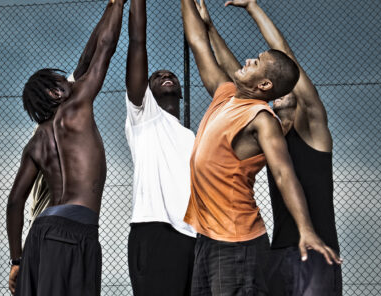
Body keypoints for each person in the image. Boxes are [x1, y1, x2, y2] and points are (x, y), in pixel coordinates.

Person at [181, 0, 341, 295]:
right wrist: (211, 28)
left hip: (316, 247)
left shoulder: (312, 130)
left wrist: (253, 7)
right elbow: (238, 76)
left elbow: (285, 61)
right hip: (278, 249)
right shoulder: (262, 127)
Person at [5, 0, 125, 294]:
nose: (70, 79)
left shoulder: (36, 142)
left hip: (41, 238)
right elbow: (104, 50)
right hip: (71, 234)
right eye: (61, 79)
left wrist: (17, 260)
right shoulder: (76, 105)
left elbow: (14, 201)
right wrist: (121, 4)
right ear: (54, 91)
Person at [124, 0, 196, 295]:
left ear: (180, 91)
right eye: (157, 76)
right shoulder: (143, 116)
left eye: (172, 76)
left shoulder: (193, 137)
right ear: (147, 89)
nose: (166, 75)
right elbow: (138, 42)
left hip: (194, 237)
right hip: (154, 231)